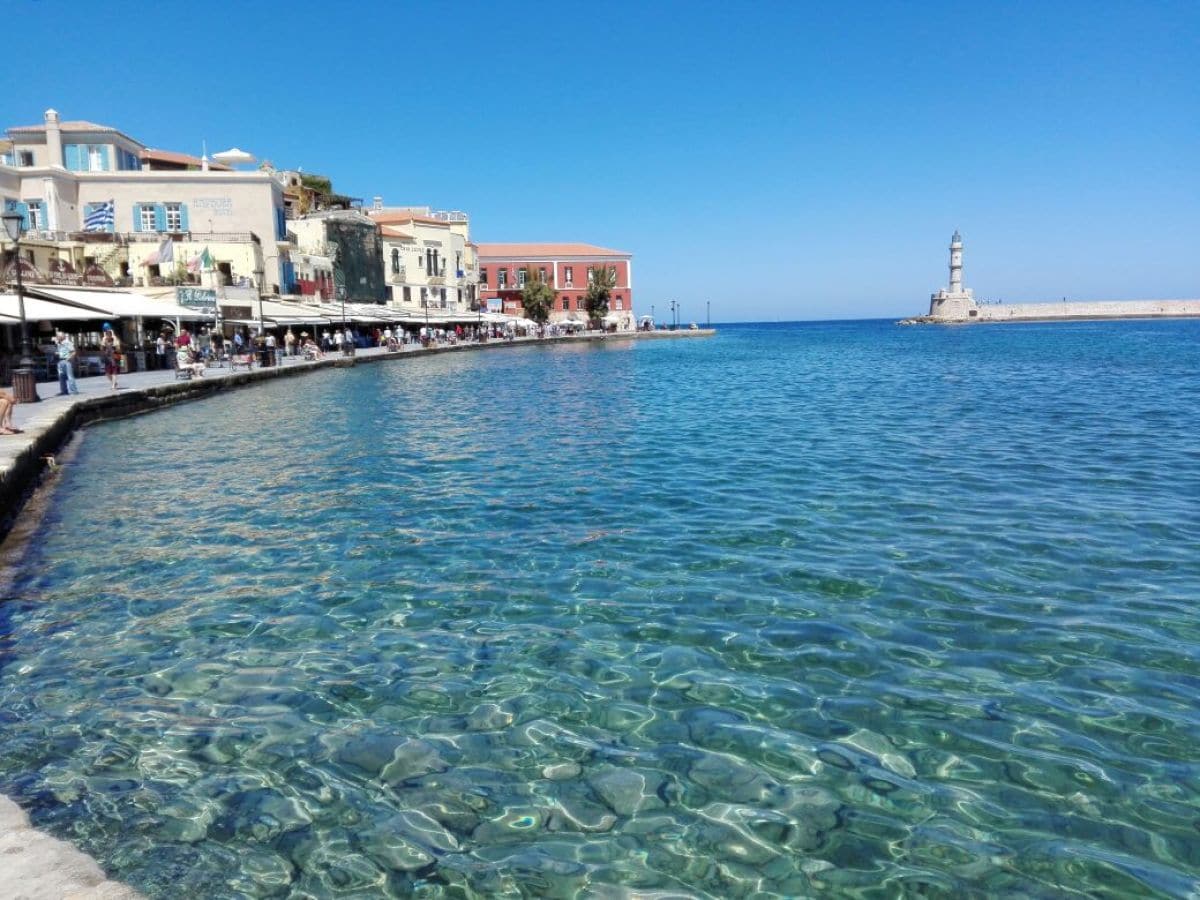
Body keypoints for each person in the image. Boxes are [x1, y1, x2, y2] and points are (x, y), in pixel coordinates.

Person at [54, 331, 79, 396]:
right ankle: (64, 391)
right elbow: (61, 352)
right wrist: (57, 353)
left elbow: (73, 352)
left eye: (58, 336)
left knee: (70, 376)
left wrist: (68, 359)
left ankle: (74, 391)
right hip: (60, 361)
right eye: (57, 336)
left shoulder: (68, 342)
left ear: (62, 336)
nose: (57, 337)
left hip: (66, 361)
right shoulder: (59, 344)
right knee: (61, 377)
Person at [99, 323, 122, 390]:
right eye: (106, 332)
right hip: (107, 358)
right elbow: (101, 348)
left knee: (114, 372)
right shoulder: (104, 338)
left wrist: (114, 348)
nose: (107, 334)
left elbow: (118, 348)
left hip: (114, 357)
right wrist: (103, 347)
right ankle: (114, 382)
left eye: (108, 332)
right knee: (107, 373)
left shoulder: (114, 338)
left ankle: (113, 386)